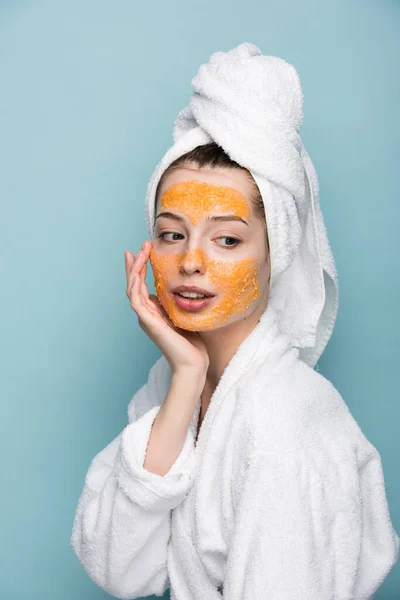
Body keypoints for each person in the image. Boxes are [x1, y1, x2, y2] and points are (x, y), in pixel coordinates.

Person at [70, 44, 399, 599]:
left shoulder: (286, 427)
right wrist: (185, 381)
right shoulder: (171, 386)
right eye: (172, 233)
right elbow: (119, 571)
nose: (192, 260)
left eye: (227, 238)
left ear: (278, 252)